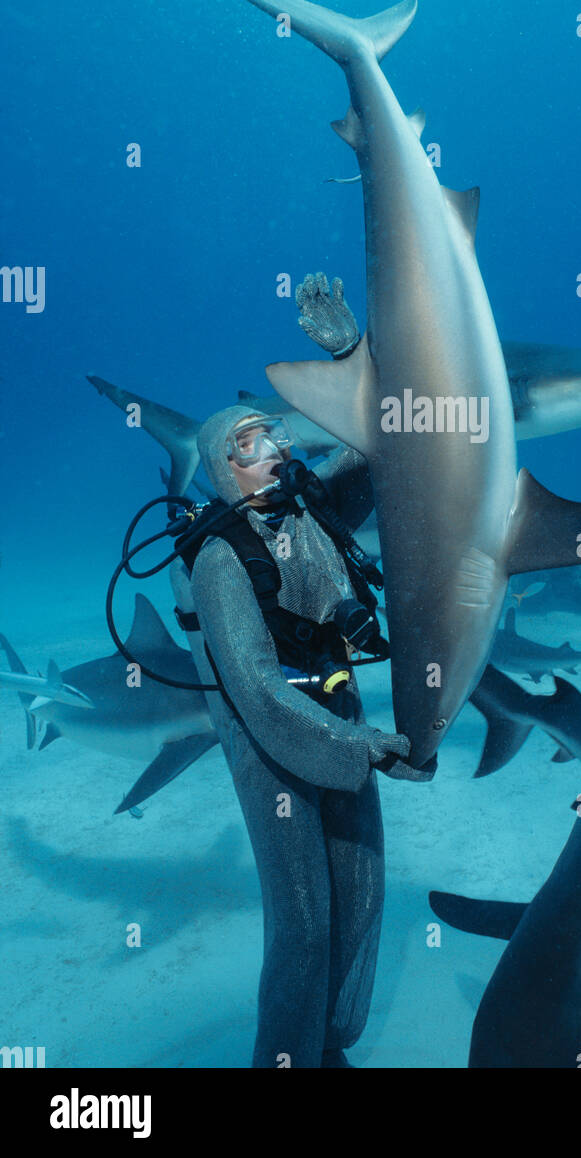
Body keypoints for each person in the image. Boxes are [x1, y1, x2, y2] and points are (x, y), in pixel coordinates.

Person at [171, 274, 432, 1069]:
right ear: (222, 466)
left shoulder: (315, 512)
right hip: (268, 740)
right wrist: (366, 746)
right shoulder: (221, 557)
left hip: (339, 719)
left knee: (359, 901)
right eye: (249, 442)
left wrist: (350, 352)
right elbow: (252, 687)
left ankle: (327, 1045)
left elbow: (395, 438)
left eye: (272, 435)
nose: (272, 448)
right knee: (305, 923)